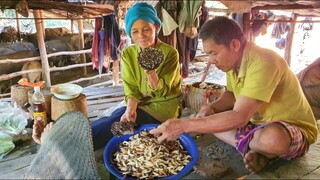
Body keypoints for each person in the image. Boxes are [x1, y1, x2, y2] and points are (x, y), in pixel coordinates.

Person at [150, 16, 318, 174]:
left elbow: (239, 117)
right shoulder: (233, 64)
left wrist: (184, 125)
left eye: (213, 53)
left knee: (273, 138)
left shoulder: (264, 61)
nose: (210, 60)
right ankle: (260, 151)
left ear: (235, 45)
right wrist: (212, 107)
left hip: (292, 129)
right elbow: (231, 94)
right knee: (213, 122)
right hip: (256, 125)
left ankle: (260, 149)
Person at [32, 2, 182, 150]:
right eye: (135, 32)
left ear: (156, 27)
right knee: (116, 117)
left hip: (163, 107)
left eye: (146, 29)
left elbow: (164, 93)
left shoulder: (170, 53)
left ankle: (63, 142)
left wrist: (151, 72)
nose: (141, 36)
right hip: (140, 104)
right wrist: (130, 109)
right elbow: (132, 89)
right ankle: (65, 135)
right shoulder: (129, 54)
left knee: (114, 125)